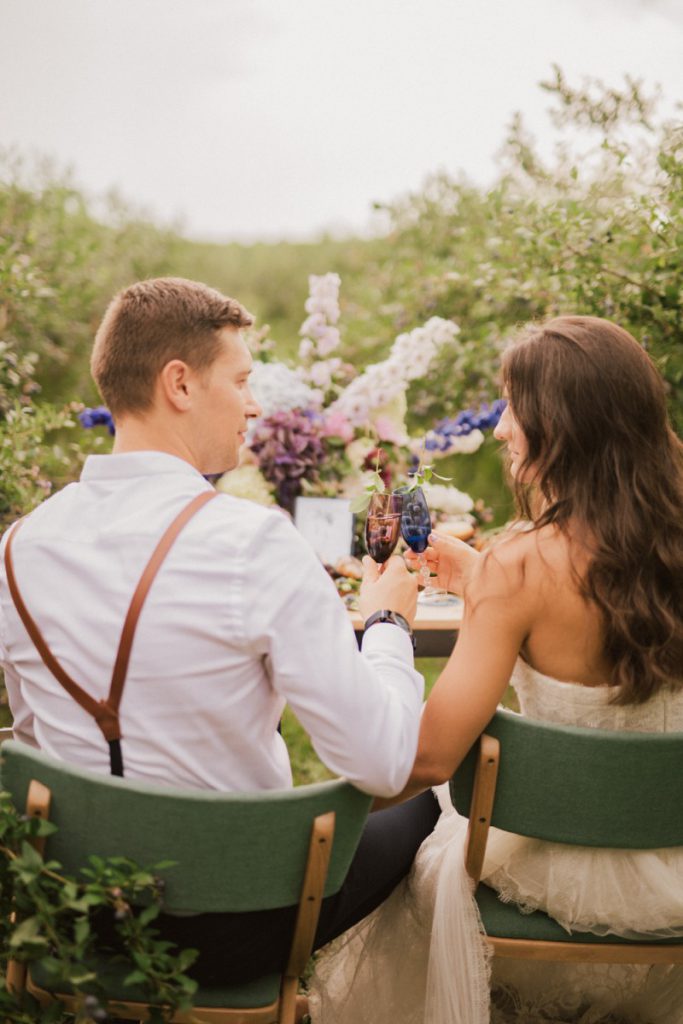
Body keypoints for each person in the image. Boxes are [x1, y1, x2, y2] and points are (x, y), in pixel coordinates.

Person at [0, 276, 440, 991]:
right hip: (236, 926)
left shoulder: (18, 547)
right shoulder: (253, 542)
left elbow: (36, 745)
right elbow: (384, 763)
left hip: (76, 918)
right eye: (240, 380)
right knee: (431, 802)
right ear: (179, 383)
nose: (255, 404)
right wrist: (386, 622)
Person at [309, 315, 683, 1024]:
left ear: (558, 426)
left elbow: (428, 758)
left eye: (513, 408)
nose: (502, 429)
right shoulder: (530, 568)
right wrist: (484, 580)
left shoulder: (524, 567)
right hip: (674, 876)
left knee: (419, 837)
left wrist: (313, 818)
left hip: (549, 889)